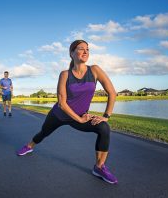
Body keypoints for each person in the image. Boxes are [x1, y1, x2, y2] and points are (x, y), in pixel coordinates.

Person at [16, 40, 118, 184]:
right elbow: (62, 104)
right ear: (71, 53)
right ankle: (29, 146)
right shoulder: (65, 74)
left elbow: (112, 93)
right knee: (43, 132)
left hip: (80, 117)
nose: (85, 51)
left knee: (104, 128)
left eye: (87, 49)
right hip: (59, 115)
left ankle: (99, 167)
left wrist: (106, 116)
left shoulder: (94, 70)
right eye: (81, 49)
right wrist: (79, 119)